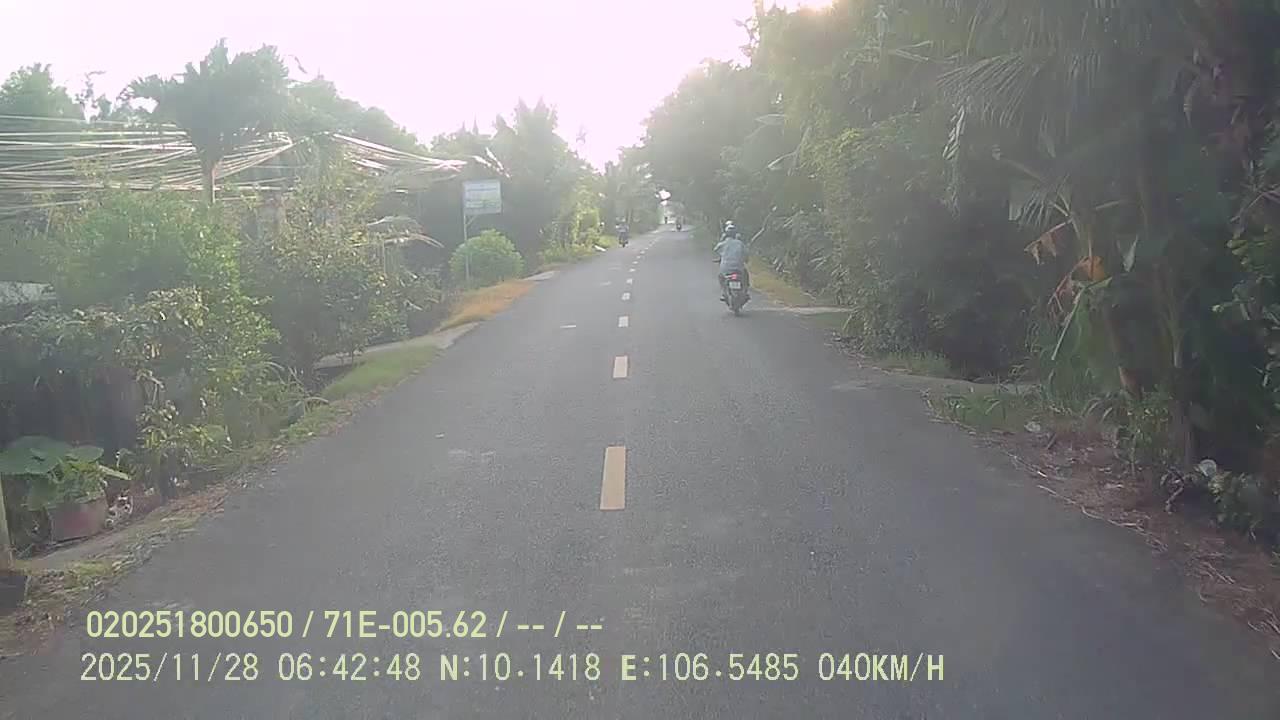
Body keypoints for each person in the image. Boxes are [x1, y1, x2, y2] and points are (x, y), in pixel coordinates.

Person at [714, 224, 749, 301]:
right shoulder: (740, 243)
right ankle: (745, 292)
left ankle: (724, 293)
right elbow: (746, 254)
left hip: (726, 269)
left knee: (720, 277)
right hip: (739, 268)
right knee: (745, 276)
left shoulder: (723, 243)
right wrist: (745, 260)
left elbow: (715, 249)